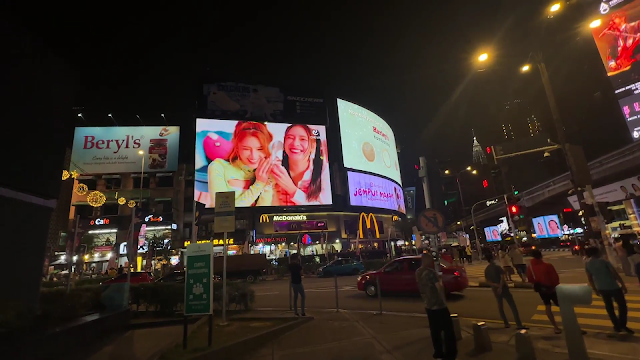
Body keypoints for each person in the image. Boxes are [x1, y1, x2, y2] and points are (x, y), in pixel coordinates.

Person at [208, 121, 274, 207]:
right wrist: (259, 184)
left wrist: (267, 183)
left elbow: (262, 215)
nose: (253, 156)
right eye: (246, 149)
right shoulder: (218, 167)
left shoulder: (265, 173)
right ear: (237, 148)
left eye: (260, 149)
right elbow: (224, 210)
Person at [271, 124, 331, 205]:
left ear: (313, 146)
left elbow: (325, 208)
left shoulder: (324, 170)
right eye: (290, 138)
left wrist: (292, 190)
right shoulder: (275, 168)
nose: (295, 143)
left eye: (303, 139)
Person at [416, 253, 457, 360]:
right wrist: (444, 301)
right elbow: (439, 288)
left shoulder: (418, 272)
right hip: (438, 305)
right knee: (448, 331)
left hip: (428, 305)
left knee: (435, 331)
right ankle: (450, 354)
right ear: (428, 261)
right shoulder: (431, 273)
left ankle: (438, 352)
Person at [585, 246, 633, 334]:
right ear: (596, 252)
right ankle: (622, 324)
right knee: (622, 306)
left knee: (609, 307)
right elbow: (615, 273)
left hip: (601, 288)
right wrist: (622, 285)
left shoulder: (587, 264)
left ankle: (616, 326)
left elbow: (590, 278)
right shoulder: (604, 261)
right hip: (613, 286)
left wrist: (595, 289)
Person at [485, 253, 527, 329]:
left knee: (500, 306)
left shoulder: (487, 269)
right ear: (492, 258)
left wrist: (496, 286)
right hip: (504, 289)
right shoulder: (497, 267)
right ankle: (519, 324)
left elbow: (488, 281)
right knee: (512, 306)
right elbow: (502, 278)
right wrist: (500, 287)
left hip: (495, 290)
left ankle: (506, 323)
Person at [527, 250, 562, 334]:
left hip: (541, 290)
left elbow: (530, 279)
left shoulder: (530, 267)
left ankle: (555, 327)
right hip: (552, 289)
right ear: (541, 256)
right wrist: (555, 286)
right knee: (563, 307)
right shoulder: (548, 266)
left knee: (547, 306)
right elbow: (555, 278)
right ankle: (570, 324)